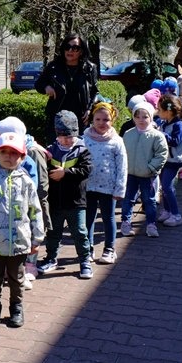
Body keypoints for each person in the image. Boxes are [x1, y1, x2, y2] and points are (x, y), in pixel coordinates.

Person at [0, 132, 45, 327]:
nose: (8, 156)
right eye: (3, 152)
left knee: (16, 277)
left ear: (22, 156)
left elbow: (35, 210)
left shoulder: (26, 181)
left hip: (19, 241)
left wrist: (37, 237)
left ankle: (16, 307)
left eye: (14, 153)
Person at [0, 116, 50, 289]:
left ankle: (21, 273)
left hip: (19, 213)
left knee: (21, 244)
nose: (8, 155)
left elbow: (33, 185)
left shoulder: (27, 161)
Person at [36, 111, 94, 279]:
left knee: (80, 232)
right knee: (53, 233)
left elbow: (86, 170)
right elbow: (44, 171)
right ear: (57, 134)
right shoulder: (50, 150)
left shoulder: (82, 150)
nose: (67, 140)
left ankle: (84, 261)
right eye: (63, 137)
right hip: (55, 202)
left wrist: (65, 173)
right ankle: (51, 258)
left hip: (76, 202)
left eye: (70, 136)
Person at [82, 101, 127, 265]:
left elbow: (122, 166)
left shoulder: (116, 141)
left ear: (112, 120)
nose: (102, 123)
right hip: (88, 186)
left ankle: (109, 249)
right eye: (98, 119)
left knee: (108, 217)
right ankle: (87, 248)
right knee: (88, 218)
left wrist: (120, 188)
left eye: (106, 119)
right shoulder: (84, 139)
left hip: (108, 188)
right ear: (92, 119)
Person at [35, 32, 99, 141]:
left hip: (80, 119)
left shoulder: (89, 68)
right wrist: (46, 87)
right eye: (67, 47)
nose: (70, 51)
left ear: (81, 51)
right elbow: (39, 84)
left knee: (79, 148)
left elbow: (95, 92)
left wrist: (89, 110)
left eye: (75, 48)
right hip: (58, 117)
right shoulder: (54, 67)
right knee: (56, 148)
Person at [120, 101, 168, 238]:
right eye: (137, 117)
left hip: (148, 175)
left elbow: (162, 154)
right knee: (128, 199)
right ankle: (126, 222)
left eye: (145, 117)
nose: (141, 120)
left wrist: (151, 168)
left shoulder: (157, 135)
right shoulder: (128, 134)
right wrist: (123, 168)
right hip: (130, 173)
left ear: (151, 117)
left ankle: (151, 224)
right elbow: (122, 152)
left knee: (149, 200)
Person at [156, 95, 182, 228]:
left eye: (159, 109)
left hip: (174, 160)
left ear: (168, 111)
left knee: (167, 187)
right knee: (164, 187)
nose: (157, 112)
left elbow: (175, 141)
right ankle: (167, 211)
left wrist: (161, 135)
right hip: (165, 159)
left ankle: (176, 215)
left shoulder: (179, 125)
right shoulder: (164, 123)